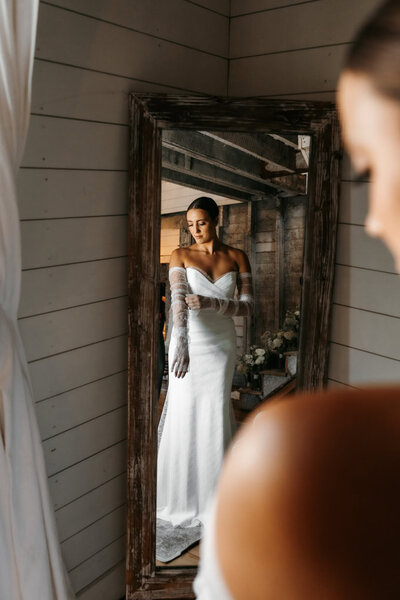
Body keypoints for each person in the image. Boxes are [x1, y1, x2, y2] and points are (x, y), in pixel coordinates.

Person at [194, 1, 400, 598]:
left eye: (373, 170)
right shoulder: (183, 262)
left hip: (225, 348)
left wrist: (217, 313)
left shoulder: (297, 461)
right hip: (198, 355)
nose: (376, 223)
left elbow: (246, 308)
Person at [156, 197, 254, 530]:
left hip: (222, 346)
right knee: (184, 412)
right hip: (190, 343)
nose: (196, 230)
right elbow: (179, 303)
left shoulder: (238, 257)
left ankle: (216, 498)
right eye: (190, 225)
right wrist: (179, 343)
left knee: (214, 410)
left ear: (216, 219)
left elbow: (248, 307)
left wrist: (213, 302)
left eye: (202, 222)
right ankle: (181, 497)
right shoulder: (180, 255)